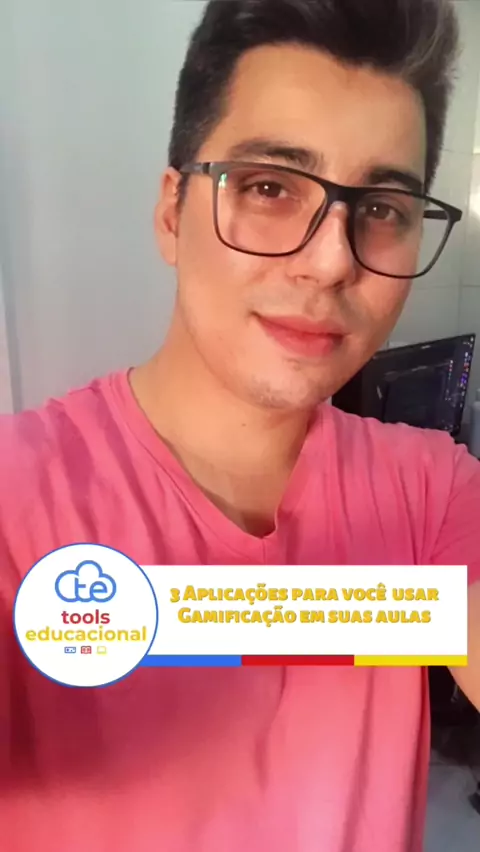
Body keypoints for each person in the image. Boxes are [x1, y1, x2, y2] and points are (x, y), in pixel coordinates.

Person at [0, 0, 479, 849]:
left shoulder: (434, 489)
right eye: (269, 188)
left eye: (382, 209)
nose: (330, 262)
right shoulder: (16, 500)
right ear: (170, 212)